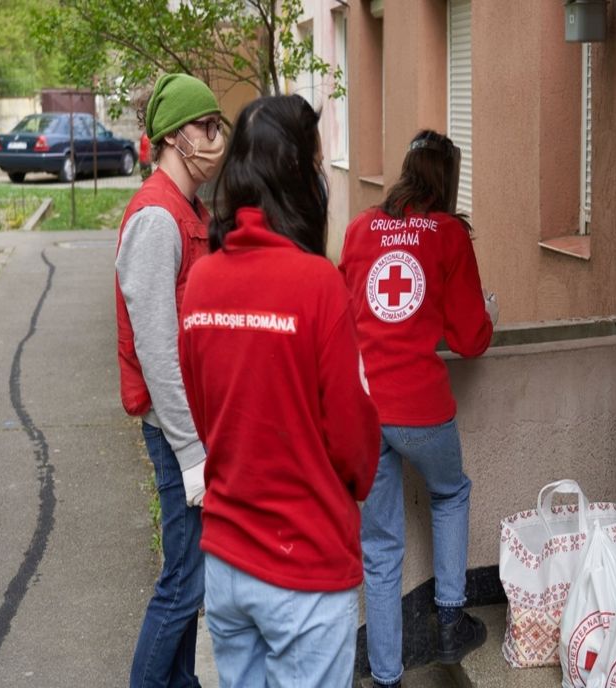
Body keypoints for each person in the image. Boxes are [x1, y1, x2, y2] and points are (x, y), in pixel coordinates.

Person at [177, 94, 381, 687]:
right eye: (318, 165)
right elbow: (352, 441)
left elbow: (203, 408)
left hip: (227, 566)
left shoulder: (201, 281)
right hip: (304, 571)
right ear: (299, 178)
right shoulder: (318, 285)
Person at [339, 130, 497, 688]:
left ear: (405, 170)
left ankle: (385, 677)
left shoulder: (360, 228)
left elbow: (346, 313)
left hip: (362, 410)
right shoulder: (449, 235)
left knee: (381, 550)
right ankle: (451, 621)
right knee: (449, 492)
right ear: (448, 179)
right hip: (420, 408)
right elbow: (472, 337)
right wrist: (487, 315)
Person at [115, 72, 223, 688]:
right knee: (182, 586)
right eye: (206, 128)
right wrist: (191, 455)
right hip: (177, 433)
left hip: (192, 428)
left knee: (189, 582)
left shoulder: (188, 210)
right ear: (174, 137)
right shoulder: (157, 219)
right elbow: (157, 349)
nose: (214, 140)